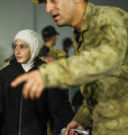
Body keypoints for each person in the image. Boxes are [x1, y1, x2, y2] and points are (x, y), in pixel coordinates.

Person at [11, 0, 128, 135]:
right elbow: (103, 88)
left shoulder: (108, 18)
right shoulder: (80, 35)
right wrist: (82, 118)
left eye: (53, 1)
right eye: (46, 3)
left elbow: (109, 57)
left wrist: (50, 74)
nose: (48, 9)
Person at [0, 29, 74, 135]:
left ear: (34, 47)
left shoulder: (45, 74)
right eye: (15, 46)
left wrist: (75, 124)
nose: (17, 52)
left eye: (23, 47)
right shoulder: (4, 75)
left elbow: (59, 105)